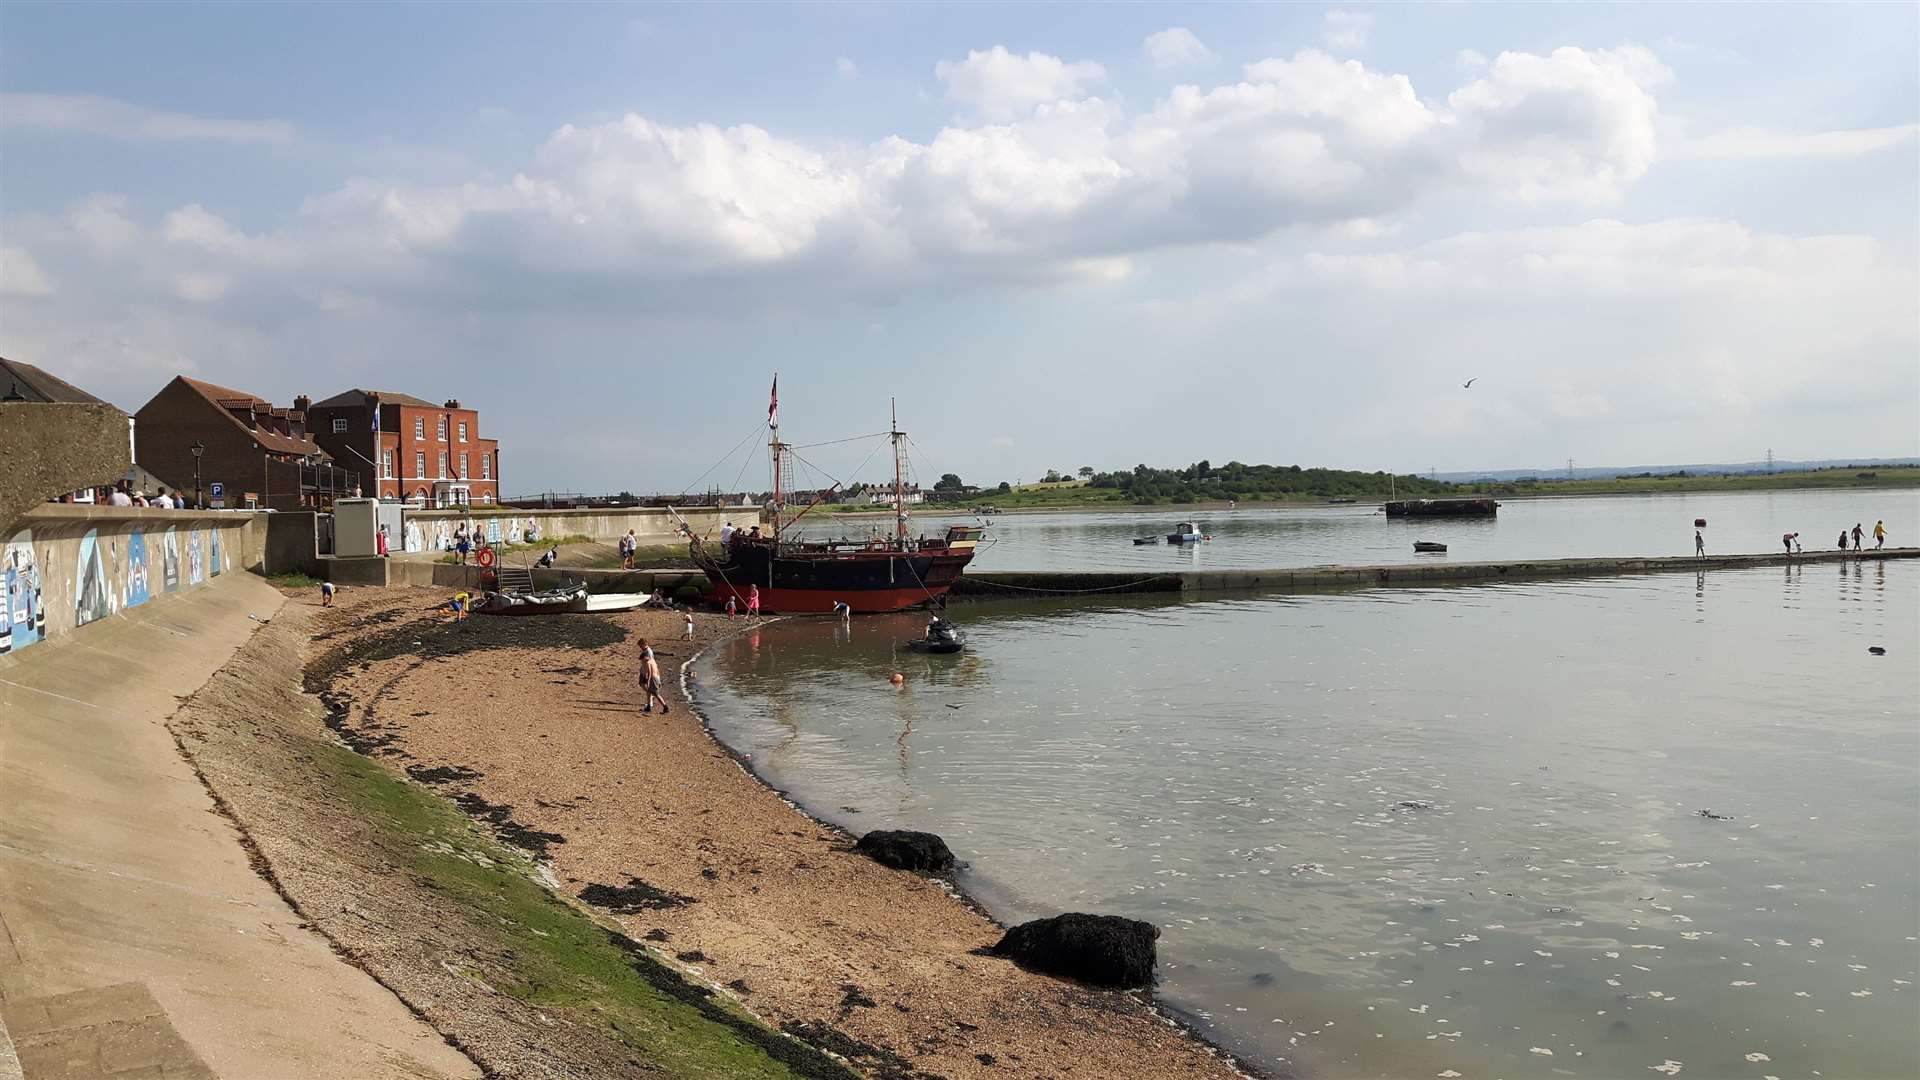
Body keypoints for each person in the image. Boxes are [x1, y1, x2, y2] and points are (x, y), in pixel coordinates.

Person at [639, 638, 668, 714]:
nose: (642, 661)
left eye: (642, 660)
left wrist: (648, 680)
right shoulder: (648, 659)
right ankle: (648, 706)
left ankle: (665, 707)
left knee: (656, 694)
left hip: (653, 678)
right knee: (649, 691)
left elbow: (649, 671)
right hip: (654, 677)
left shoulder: (648, 661)